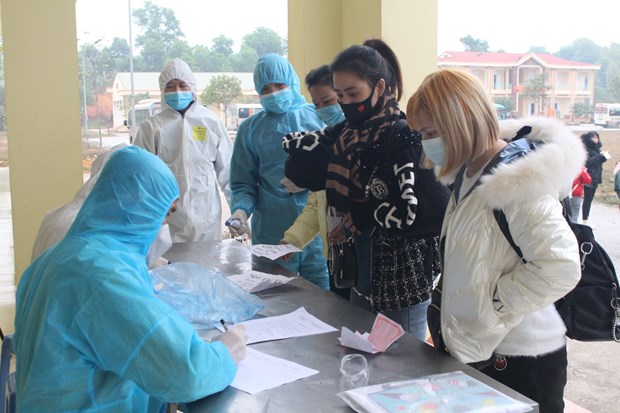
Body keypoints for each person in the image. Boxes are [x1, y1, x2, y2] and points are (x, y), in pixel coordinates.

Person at [15, 146, 247, 412]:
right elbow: (186, 374)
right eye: (166, 213)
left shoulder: (66, 255)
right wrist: (224, 353)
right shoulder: (103, 274)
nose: (164, 226)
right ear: (140, 208)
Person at [407, 68, 582, 412]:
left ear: (460, 121)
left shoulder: (516, 180)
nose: (426, 142)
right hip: (484, 347)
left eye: (431, 132)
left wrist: (493, 304)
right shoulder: (468, 174)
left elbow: (561, 267)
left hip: (520, 357)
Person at [322, 39, 448, 340]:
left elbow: (426, 212)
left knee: (401, 371)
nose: (346, 103)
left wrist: (365, 215)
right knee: (365, 360)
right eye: (340, 96)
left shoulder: (404, 135)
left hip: (399, 281)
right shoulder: (351, 136)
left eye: (353, 93)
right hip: (362, 275)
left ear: (379, 86)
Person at [227, 54, 329, 289]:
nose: (273, 93)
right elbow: (243, 182)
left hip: (316, 223)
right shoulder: (250, 129)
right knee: (276, 297)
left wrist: (313, 180)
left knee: (324, 297)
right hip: (272, 229)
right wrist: (241, 212)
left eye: (280, 85)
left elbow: (338, 167)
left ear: (292, 83)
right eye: (266, 88)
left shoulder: (318, 116)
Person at [133, 58, 233, 242]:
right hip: (168, 218)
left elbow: (228, 172)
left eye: (182, 85)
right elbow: (140, 177)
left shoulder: (210, 122)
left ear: (192, 87)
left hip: (207, 214)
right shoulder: (151, 127)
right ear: (163, 89)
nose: (177, 91)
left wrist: (238, 211)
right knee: (170, 268)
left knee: (207, 266)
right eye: (170, 86)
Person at [280, 64, 348, 297]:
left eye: (329, 101)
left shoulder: (360, 145)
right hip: (336, 257)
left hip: (363, 260)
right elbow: (317, 203)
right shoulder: (324, 145)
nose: (323, 110)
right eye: (317, 105)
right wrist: (293, 239)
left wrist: (351, 225)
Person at [580, 130, 611, 225]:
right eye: (593, 138)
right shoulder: (585, 149)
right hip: (588, 177)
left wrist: (604, 157)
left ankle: (586, 218)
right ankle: (584, 220)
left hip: (596, 177)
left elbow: (598, 161)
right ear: (589, 139)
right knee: (587, 199)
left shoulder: (597, 149)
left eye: (597, 137)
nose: (596, 139)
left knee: (590, 199)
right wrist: (599, 156)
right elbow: (587, 162)